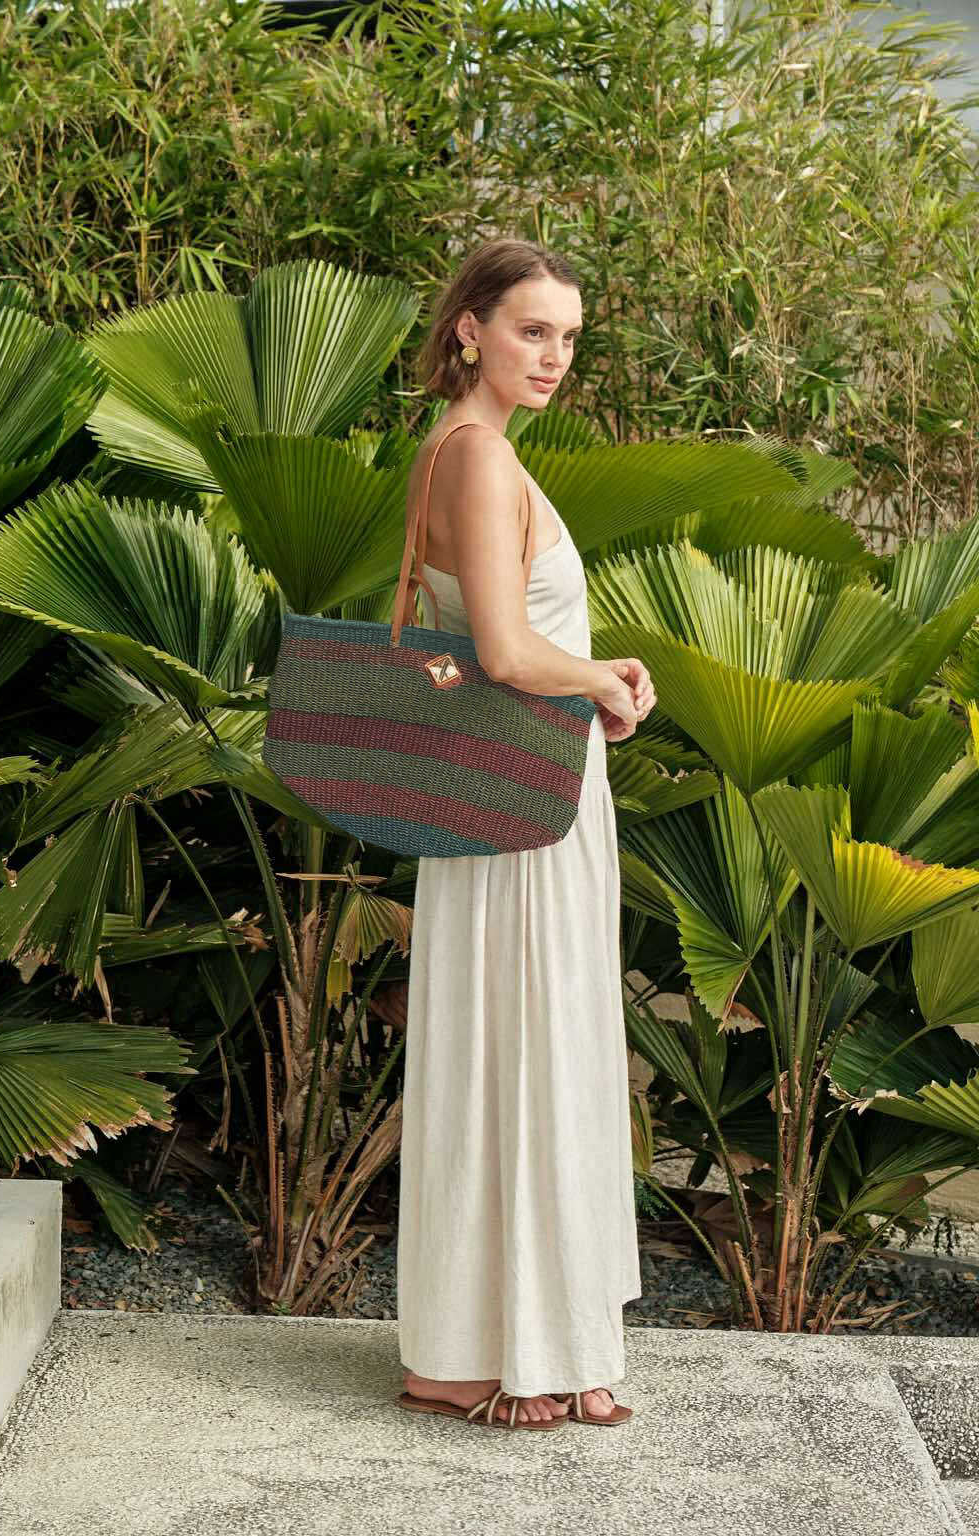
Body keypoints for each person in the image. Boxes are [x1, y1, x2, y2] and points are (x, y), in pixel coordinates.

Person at [394, 238, 657, 1432]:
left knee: (511, 1046)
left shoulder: (455, 449)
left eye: (568, 337)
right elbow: (499, 652)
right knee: (528, 1044)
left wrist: (594, 676)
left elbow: (466, 638)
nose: (554, 356)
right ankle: (506, 1350)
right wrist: (599, 678)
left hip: (511, 790)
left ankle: (511, 1342)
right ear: (470, 330)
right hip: (520, 803)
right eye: (531, 331)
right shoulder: (479, 457)